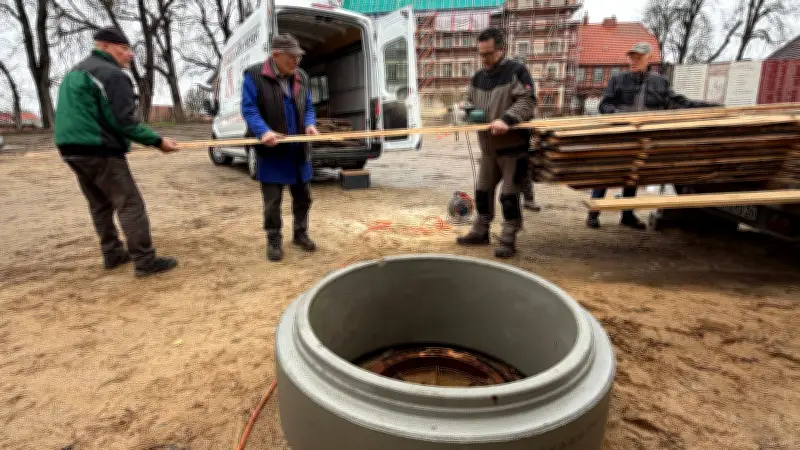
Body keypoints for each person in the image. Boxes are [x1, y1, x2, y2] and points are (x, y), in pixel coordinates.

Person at [54, 27, 179, 277]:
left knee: (100, 203)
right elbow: (123, 121)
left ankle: (112, 253)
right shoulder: (110, 74)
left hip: (70, 149)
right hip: (99, 149)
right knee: (130, 203)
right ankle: (145, 260)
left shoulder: (74, 72)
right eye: (123, 49)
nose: (129, 55)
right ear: (104, 46)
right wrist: (157, 141)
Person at [588, 42, 719, 230]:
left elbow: (676, 103)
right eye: (631, 57)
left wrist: (709, 107)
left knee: (633, 176)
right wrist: (617, 114)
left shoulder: (660, 82)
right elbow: (604, 105)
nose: (633, 61)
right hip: (619, 135)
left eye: (638, 57)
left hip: (645, 138)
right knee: (606, 173)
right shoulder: (618, 80)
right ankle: (593, 214)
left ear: (649, 58)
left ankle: (627, 215)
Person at [456, 28, 537, 258]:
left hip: (513, 149)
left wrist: (506, 119)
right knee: (482, 191)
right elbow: (469, 99)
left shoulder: (517, 71)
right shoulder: (478, 77)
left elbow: (528, 101)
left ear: (502, 50)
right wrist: (467, 109)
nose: (484, 59)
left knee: (509, 196)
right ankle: (481, 231)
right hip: (488, 150)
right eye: (481, 54)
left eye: (488, 54)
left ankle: (508, 238)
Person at [241, 34, 319, 262]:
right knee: (273, 202)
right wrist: (263, 131)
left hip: (298, 150)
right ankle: (274, 239)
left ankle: (300, 233)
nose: (296, 62)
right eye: (291, 57)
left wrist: (310, 124)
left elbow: (309, 106)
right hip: (271, 150)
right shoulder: (254, 75)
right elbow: (249, 109)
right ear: (275, 55)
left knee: (304, 197)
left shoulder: (301, 76)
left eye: (298, 57)